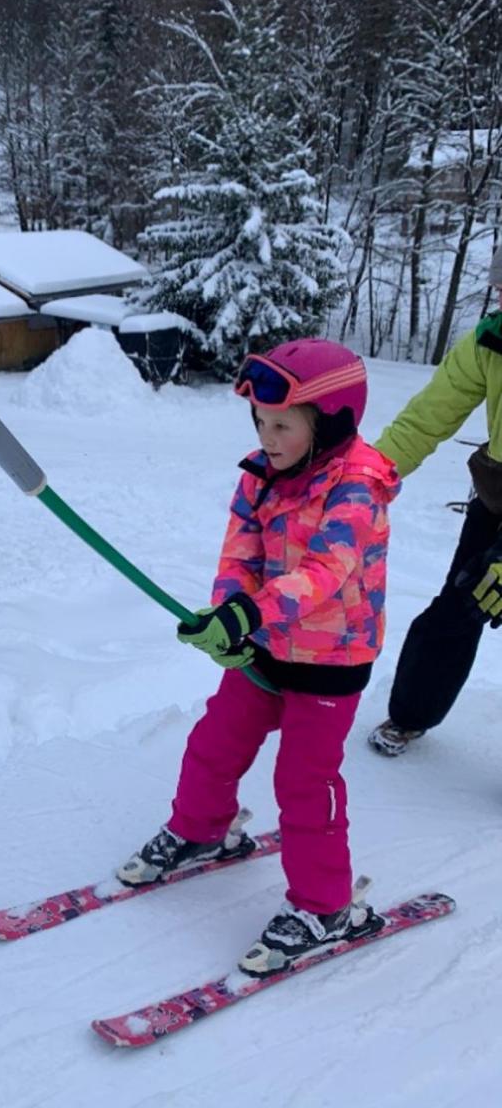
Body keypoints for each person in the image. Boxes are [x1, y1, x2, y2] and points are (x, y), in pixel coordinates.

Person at [117, 338, 401, 976]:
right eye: (260, 424)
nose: (267, 437)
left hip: (332, 660)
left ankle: (325, 905)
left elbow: (329, 570)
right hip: (268, 648)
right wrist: (226, 614)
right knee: (215, 741)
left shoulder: (358, 486)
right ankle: (201, 827)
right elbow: (240, 556)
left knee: (304, 781)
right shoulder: (260, 475)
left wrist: (251, 615)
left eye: (281, 425)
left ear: (329, 422)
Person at [368, 244, 502, 756]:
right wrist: (366, 480)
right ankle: (410, 716)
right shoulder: (491, 340)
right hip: (497, 500)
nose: (499, 294)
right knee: (457, 606)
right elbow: (426, 419)